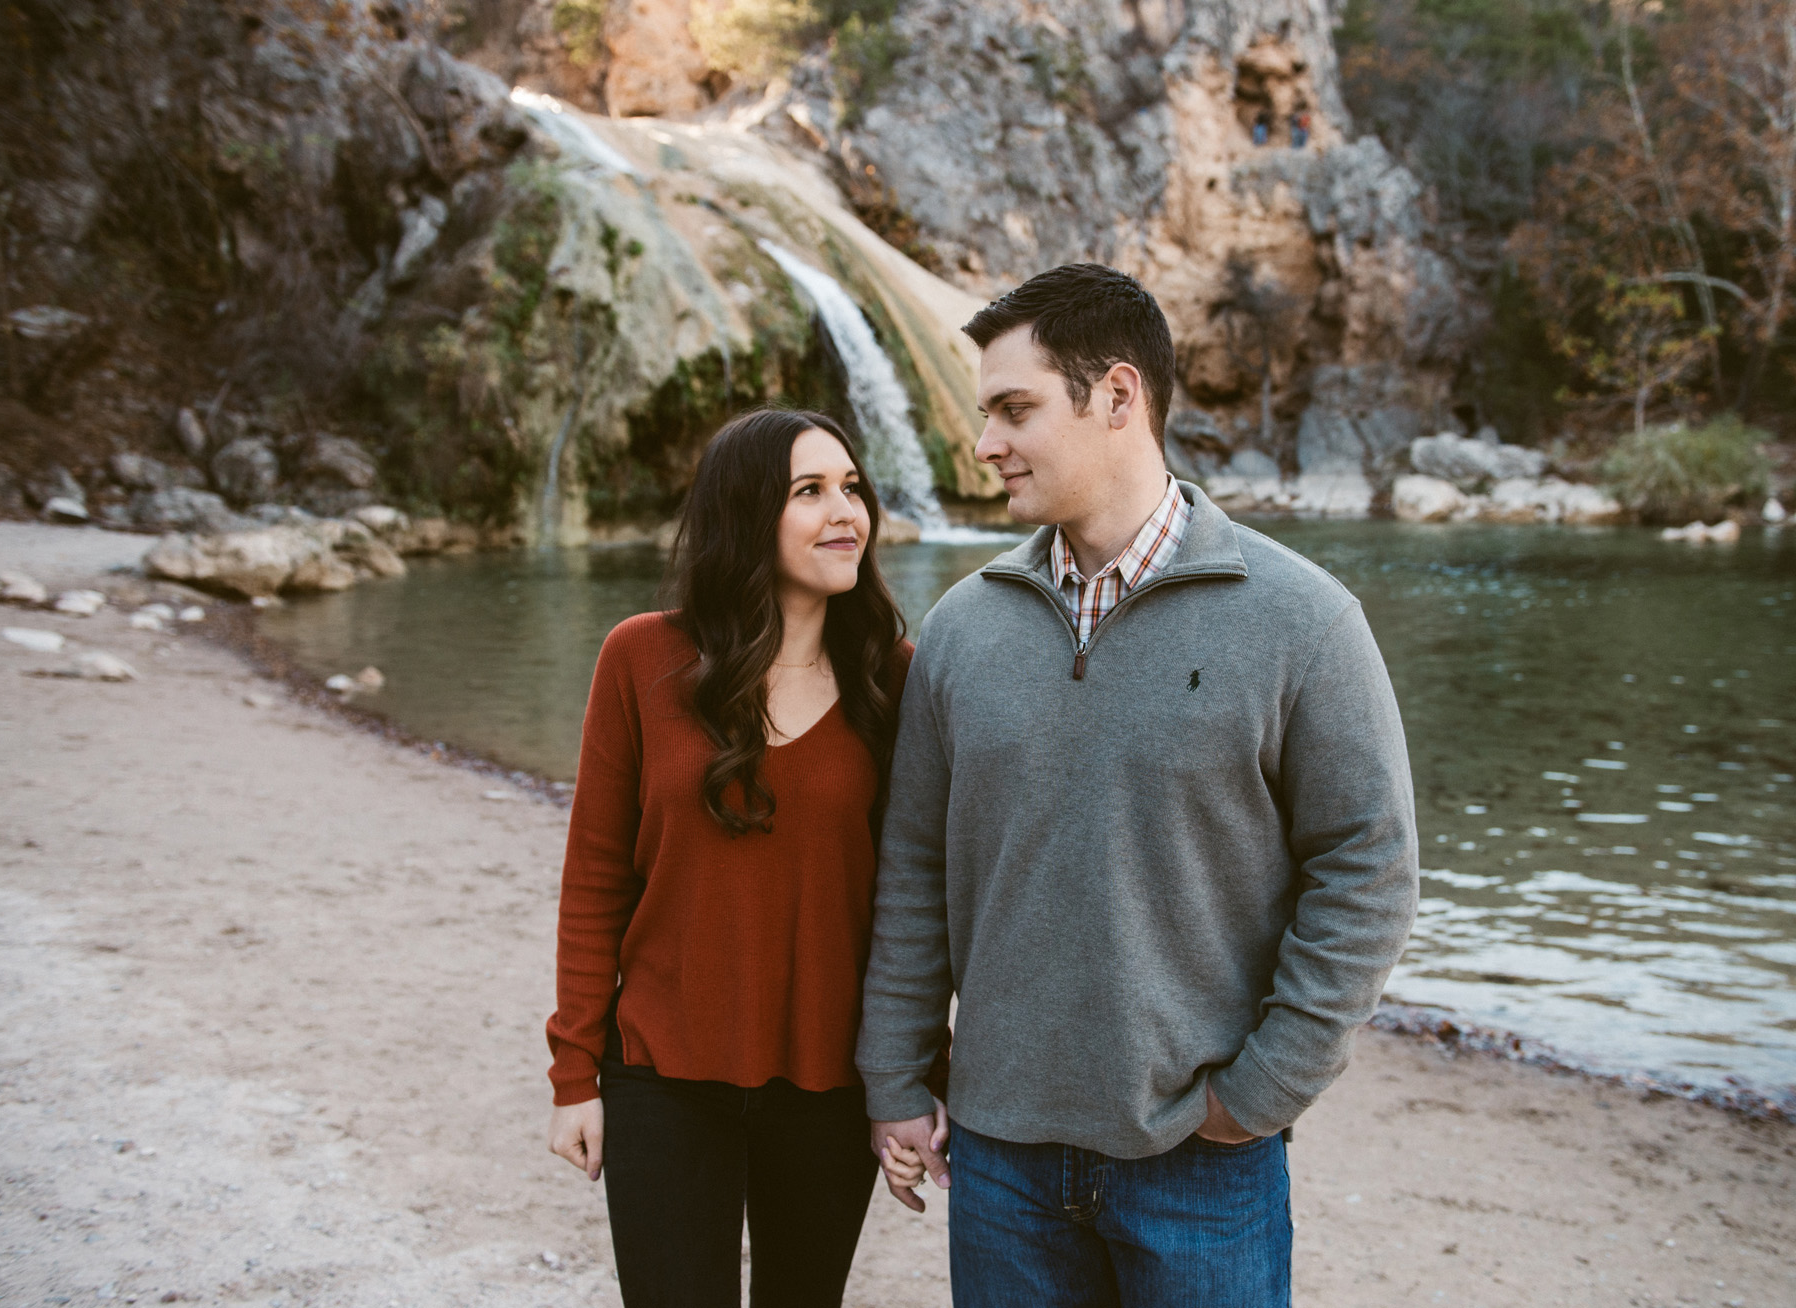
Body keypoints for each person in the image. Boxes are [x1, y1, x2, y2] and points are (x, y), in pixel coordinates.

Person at [857, 264, 1420, 1306]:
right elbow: (913, 869)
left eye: (1013, 410)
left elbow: (1368, 870)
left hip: (1203, 1161)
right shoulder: (960, 632)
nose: (985, 444)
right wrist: (893, 1078)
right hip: (1000, 1162)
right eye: (987, 415)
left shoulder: (1305, 622)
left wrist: (1259, 1093)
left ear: (1117, 397)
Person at [544, 408, 942, 1307]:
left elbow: (918, 903)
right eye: (810, 492)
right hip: (661, 1076)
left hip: (829, 1084)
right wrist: (574, 1073)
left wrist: (916, 1077)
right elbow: (597, 876)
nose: (846, 512)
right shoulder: (639, 657)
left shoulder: (896, 679)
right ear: (744, 514)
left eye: (852, 489)